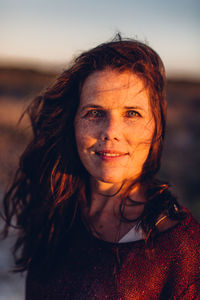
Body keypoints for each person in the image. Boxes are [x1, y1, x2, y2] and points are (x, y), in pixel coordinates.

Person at [1, 35, 200, 299]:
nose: (110, 132)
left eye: (132, 114)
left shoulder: (180, 247)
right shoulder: (55, 207)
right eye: (94, 112)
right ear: (72, 123)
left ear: (156, 128)